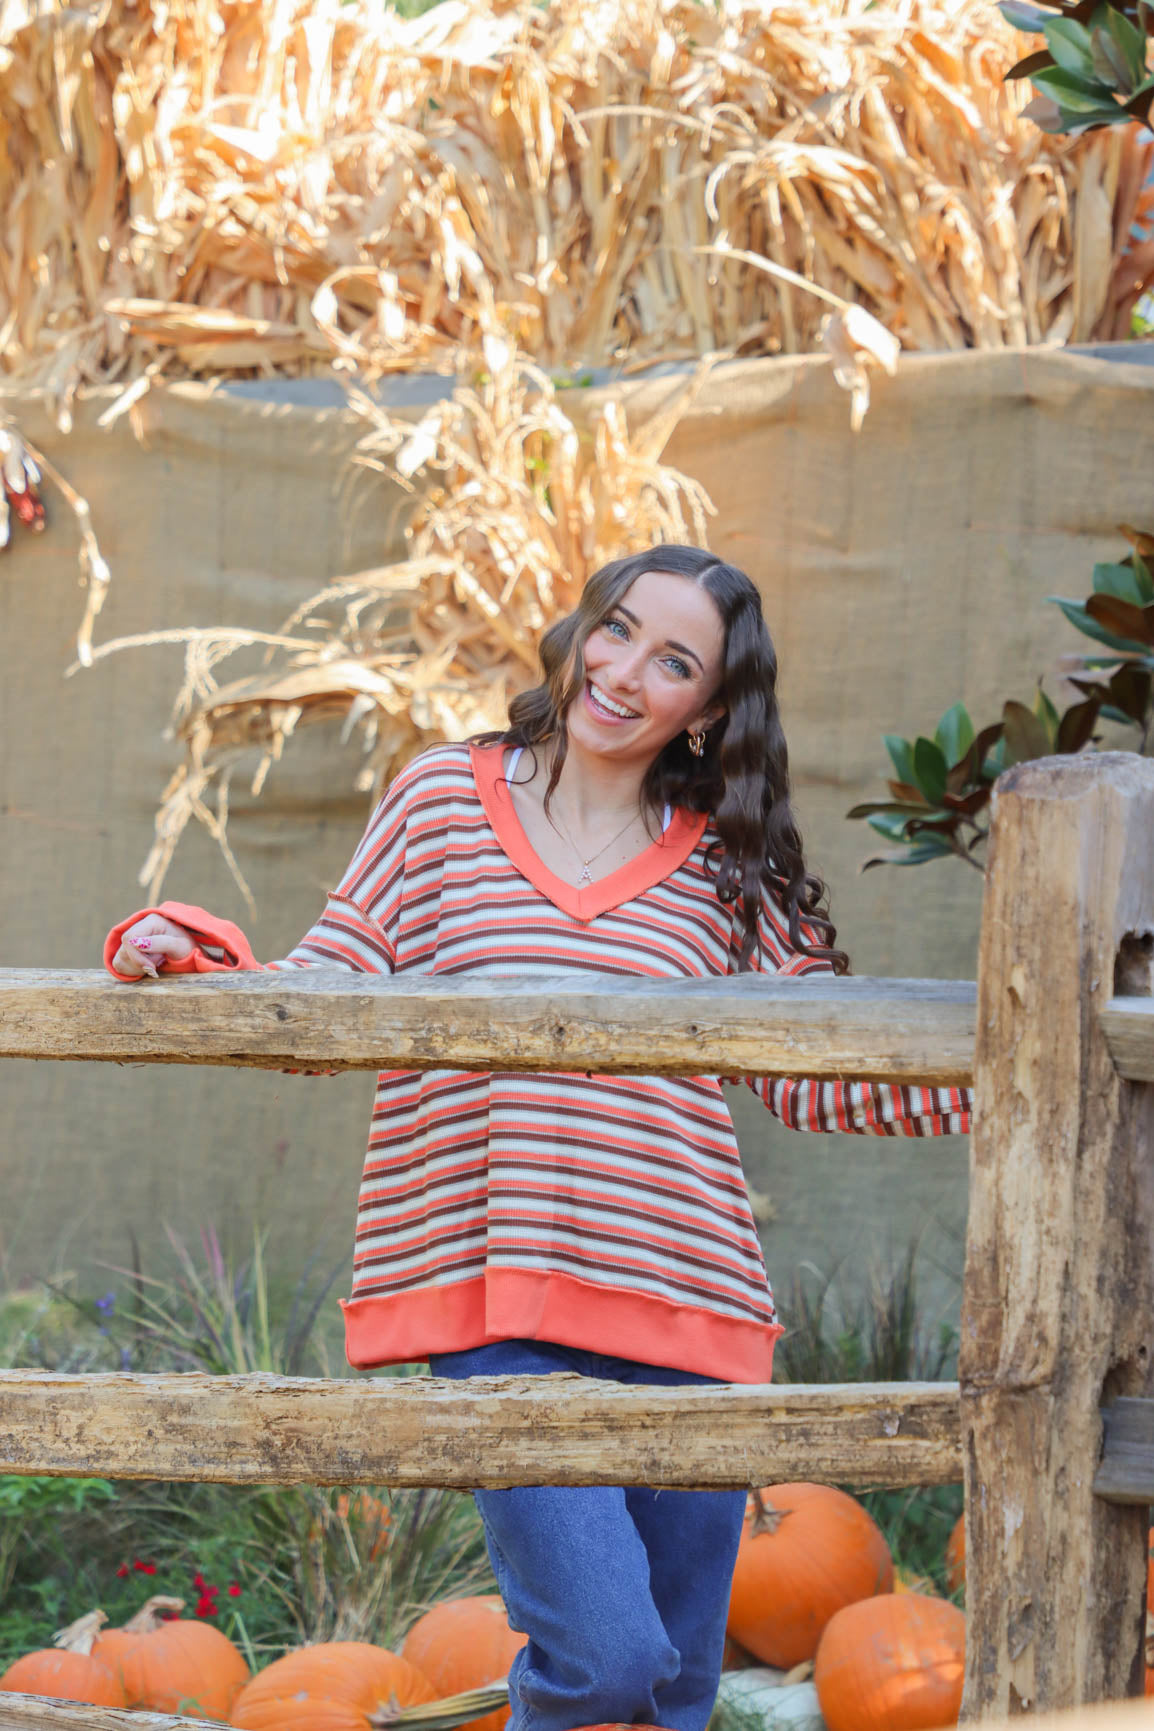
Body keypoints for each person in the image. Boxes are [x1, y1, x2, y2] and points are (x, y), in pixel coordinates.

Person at [105, 545, 971, 1731]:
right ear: (578, 632)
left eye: (673, 662)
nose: (623, 673)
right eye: (614, 630)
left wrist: (1003, 1080)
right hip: (497, 1302)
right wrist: (199, 956)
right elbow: (328, 998)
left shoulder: (726, 851)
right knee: (606, 1658)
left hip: (688, 1306)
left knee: (670, 1688)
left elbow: (813, 1079)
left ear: (708, 708)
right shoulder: (441, 800)